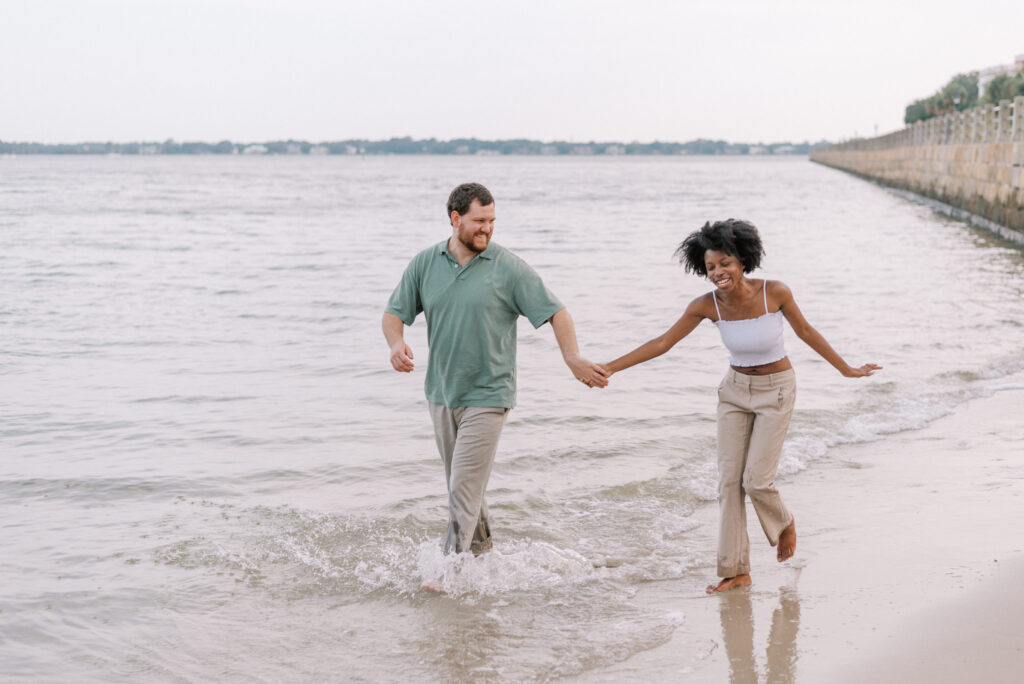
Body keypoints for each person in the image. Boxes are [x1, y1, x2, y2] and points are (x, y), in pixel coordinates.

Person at [598, 219, 880, 594]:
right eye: (711, 266)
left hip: (776, 391)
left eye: (725, 263)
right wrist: (610, 368)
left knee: (757, 481)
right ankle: (736, 571)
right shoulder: (705, 305)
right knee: (729, 482)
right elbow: (662, 343)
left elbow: (807, 333)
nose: (718, 273)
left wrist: (847, 370)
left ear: (743, 260)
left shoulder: (774, 292)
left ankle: (784, 523)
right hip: (733, 392)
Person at [382, 182, 607, 589]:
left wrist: (572, 358)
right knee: (466, 486)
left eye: (492, 221)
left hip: (489, 394)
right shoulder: (424, 264)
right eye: (479, 221)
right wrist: (396, 343)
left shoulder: (509, 268)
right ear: (455, 219)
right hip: (441, 394)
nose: (487, 229)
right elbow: (393, 313)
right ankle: (484, 558)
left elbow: (557, 312)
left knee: (462, 486)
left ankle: (447, 573)